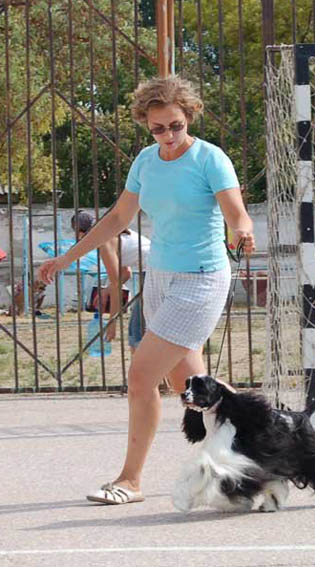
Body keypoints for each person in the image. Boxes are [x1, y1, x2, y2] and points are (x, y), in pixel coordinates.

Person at [38, 75, 255, 505]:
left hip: (201, 278)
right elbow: (118, 219)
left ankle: (130, 481)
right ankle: (266, 436)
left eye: (176, 125)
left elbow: (237, 215)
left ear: (189, 116)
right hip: (159, 278)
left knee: (141, 376)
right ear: (146, 124)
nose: (168, 135)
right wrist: (66, 257)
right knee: (191, 385)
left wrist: (243, 232)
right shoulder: (145, 161)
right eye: (158, 128)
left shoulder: (210, 159)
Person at [71, 210, 150, 352]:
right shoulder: (110, 233)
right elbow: (125, 273)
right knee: (139, 330)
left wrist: (112, 323)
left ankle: (145, 365)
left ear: (80, 233)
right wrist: (107, 290)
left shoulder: (104, 242)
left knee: (136, 333)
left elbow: (116, 285)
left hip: (156, 272)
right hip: (158, 270)